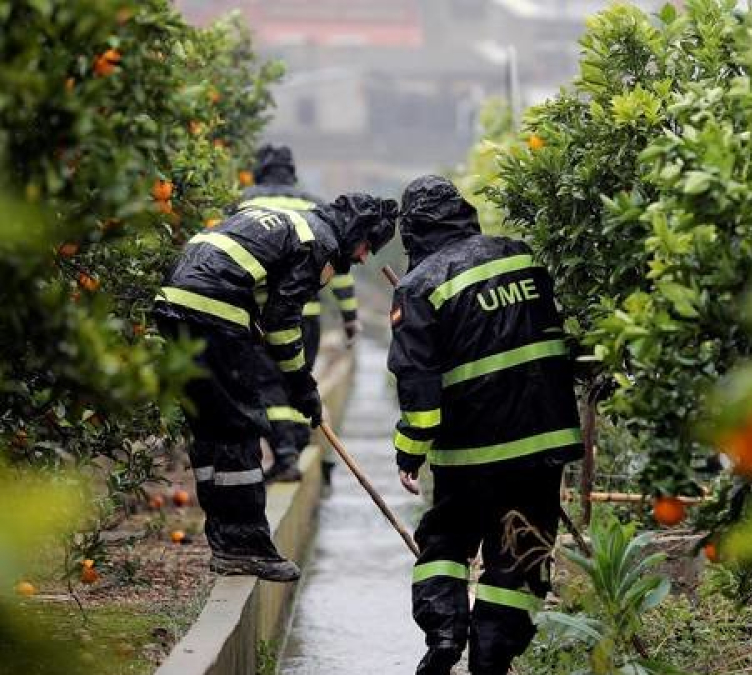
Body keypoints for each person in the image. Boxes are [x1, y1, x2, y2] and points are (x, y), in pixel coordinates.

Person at [388, 176, 582, 675]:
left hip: (469, 453)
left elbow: (418, 384)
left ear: (412, 231)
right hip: (542, 441)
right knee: (519, 552)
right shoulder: (519, 255)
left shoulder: (419, 286)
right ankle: (491, 659)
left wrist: (410, 452)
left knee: (445, 543)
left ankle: (445, 635)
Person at [154, 193, 398, 581]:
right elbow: (284, 322)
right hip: (214, 312)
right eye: (368, 246)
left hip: (173, 305)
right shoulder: (318, 243)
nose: (365, 257)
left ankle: (224, 541)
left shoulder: (292, 225)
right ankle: (244, 547)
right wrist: (302, 386)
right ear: (356, 231)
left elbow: (263, 306)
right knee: (239, 426)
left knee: (211, 427)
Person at [235, 145, 362, 484]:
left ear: (259, 170)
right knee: (298, 378)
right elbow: (340, 268)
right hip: (308, 317)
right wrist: (350, 317)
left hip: (262, 316)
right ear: (292, 172)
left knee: (268, 383)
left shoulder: (244, 203)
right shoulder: (314, 205)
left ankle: (286, 454)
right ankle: (299, 442)